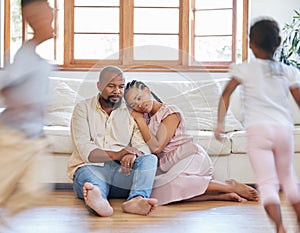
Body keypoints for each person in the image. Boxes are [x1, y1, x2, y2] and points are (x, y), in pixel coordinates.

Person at [214, 18, 300, 233]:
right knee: (288, 179)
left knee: (267, 183)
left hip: (258, 131)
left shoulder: (243, 69)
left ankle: (280, 227)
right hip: (283, 130)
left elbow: (225, 94)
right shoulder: (287, 71)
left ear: (250, 43)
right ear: (279, 41)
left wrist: (219, 123)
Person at [124, 80, 259, 206]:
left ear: (147, 91)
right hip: (169, 165)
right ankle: (218, 195)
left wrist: (139, 120)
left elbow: (157, 147)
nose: (139, 104)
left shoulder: (170, 112)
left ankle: (229, 186)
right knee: (156, 190)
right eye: (134, 104)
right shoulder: (146, 117)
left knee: (175, 183)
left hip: (189, 157)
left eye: (139, 98)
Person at [67, 66, 158, 217]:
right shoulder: (82, 109)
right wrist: (118, 154)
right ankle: (99, 200)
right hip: (92, 169)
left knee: (150, 159)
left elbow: (141, 145)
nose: (117, 91)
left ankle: (136, 199)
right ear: (99, 86)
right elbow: (85, 150)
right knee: (92, 179)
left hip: (122, 173)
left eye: (121, 87)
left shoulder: (131, 111)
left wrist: (133, 154)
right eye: (111, 86)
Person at [0, 0, 54, 214]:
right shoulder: (25, 55)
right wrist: (15, 101)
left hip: (34, 139)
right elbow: (5, 83)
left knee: (35, 188)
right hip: (13, 137)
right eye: (47, 13)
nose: (52, 17)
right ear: (33, 18)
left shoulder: (39, 60)